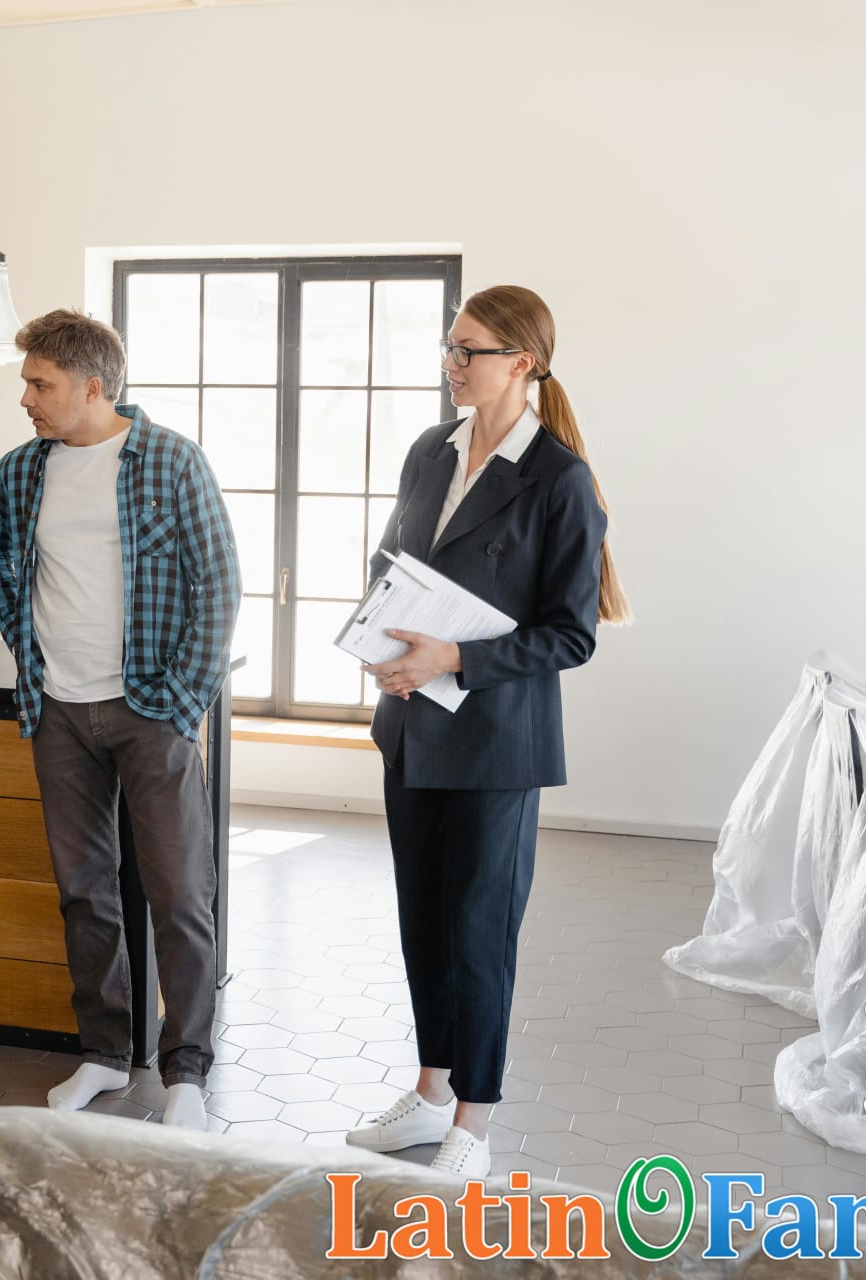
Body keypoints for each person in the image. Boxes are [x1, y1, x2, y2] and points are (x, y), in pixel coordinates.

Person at [344, 285, 630, 1175]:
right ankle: (431, 1093)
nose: (451, 364)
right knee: (422, 918)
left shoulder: (560, 480)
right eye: (449, 347)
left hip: (496, 742)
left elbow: (571, 635)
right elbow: (392, 561)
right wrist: (380, 633)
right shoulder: (430, 450)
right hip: (411, 725)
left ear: (523, 362)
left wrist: (454, 659)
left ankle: (475, 1117)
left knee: (478, 930)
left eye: (469, 351)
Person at [0, 309, 241, 1131]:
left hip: (150, 711)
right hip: (58, 711)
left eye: (39, 383)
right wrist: (29, 642)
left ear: (92, 387)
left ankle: (186, 1069)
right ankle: (103, 1051)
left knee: (179, 893)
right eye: (26, 382)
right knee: (84, 893)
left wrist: (181, 700)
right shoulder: (22, 470)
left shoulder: (170, 460)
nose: (25, 398)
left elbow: (219, 585)